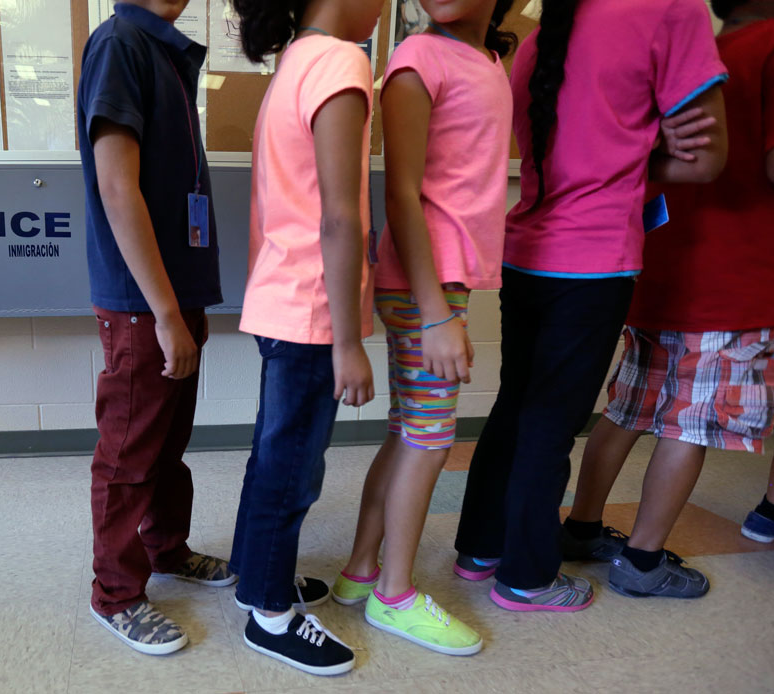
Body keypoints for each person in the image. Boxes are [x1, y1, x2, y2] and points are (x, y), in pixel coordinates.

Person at [453, 0, 730, 612]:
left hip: (526, 249)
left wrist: (630, 140)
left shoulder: (536, 38)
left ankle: (480, 550)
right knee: (551, 423)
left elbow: (571, 144)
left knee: (517, 407)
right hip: (595, 260)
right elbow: (706, 160)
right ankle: (527, 578)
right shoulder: (669, 11)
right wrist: (647, 142)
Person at [564, 0, 774, 595]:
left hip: (666, 262)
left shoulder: (703, 51)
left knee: (629, 409)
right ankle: (642, 563)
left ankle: (582, 526)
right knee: (691, 423)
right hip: (740, 279)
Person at [333, 0, 515, 656]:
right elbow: (400, 193)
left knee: (409, 433)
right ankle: (395, 595)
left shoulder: (493, 60)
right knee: (431, 441)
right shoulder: (416, 60)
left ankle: (360, 574)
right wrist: (437, 311)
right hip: (422, 286)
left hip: (442, 282)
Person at [227, 0, 382, 676]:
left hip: (279, 299)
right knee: (291, 467)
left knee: (274, 456)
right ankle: (270, 614)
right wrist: (348, 341)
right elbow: (341, 219)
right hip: (313, 311)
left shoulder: (296, 60)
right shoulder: (341, 62)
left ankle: (256, 575)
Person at [77, 0, 237, 655]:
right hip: (145, 302)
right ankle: (115, 594)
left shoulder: (163, 50)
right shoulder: (119, 43)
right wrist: (165, 313)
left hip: (174, 295)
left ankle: (167, 550)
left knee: (165, 445)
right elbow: (118, 188)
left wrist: (181, 307)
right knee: (127, 457)